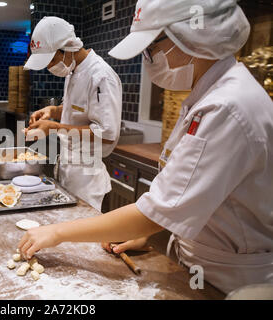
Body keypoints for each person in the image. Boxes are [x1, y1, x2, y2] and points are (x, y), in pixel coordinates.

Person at [19, 0, 273, 294]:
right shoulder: (211, 95)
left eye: (151, 47)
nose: (148, 58)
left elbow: (157, 209)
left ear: (191, 36)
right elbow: (194, 202)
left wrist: (57, 232)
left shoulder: (227, 107)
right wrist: (157, 235)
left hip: (230, 281)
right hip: (201, 264)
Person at [24, 16, 122, 212]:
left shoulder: (101, 76)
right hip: (68, 167)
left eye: (51, 60)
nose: (50, 67)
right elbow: (76, 112)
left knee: (82, 237)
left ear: (68, 47)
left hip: (87, 177)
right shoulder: (73, 71)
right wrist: (52, 111)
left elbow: (107, 133)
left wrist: (54, 127)